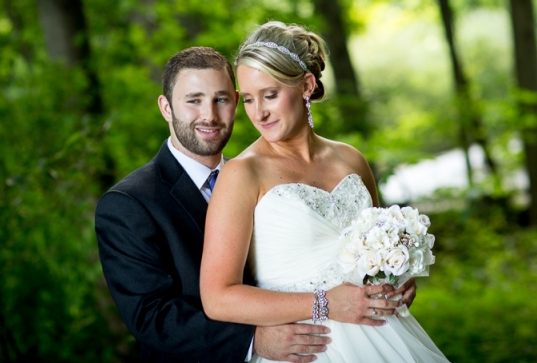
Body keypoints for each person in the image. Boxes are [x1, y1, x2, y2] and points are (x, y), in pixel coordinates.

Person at [95, 47, 396, 363]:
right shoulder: (129, 204)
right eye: (194, 100)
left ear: (236, 102)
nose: (209, 115)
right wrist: (252, 340)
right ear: (166, 108)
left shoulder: (260, 176)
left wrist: (390, 275)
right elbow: (150, 316)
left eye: (221, 100)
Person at [200, 23, 450, 362]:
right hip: (308, 346)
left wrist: (398, 278)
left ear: (306, 85)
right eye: (248, 99)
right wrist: (325, 303)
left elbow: (373, 254)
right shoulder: (242, 174)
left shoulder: (351, 160)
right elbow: (218, 297)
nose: (258, 112)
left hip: (386, 336)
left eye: (270, 94)